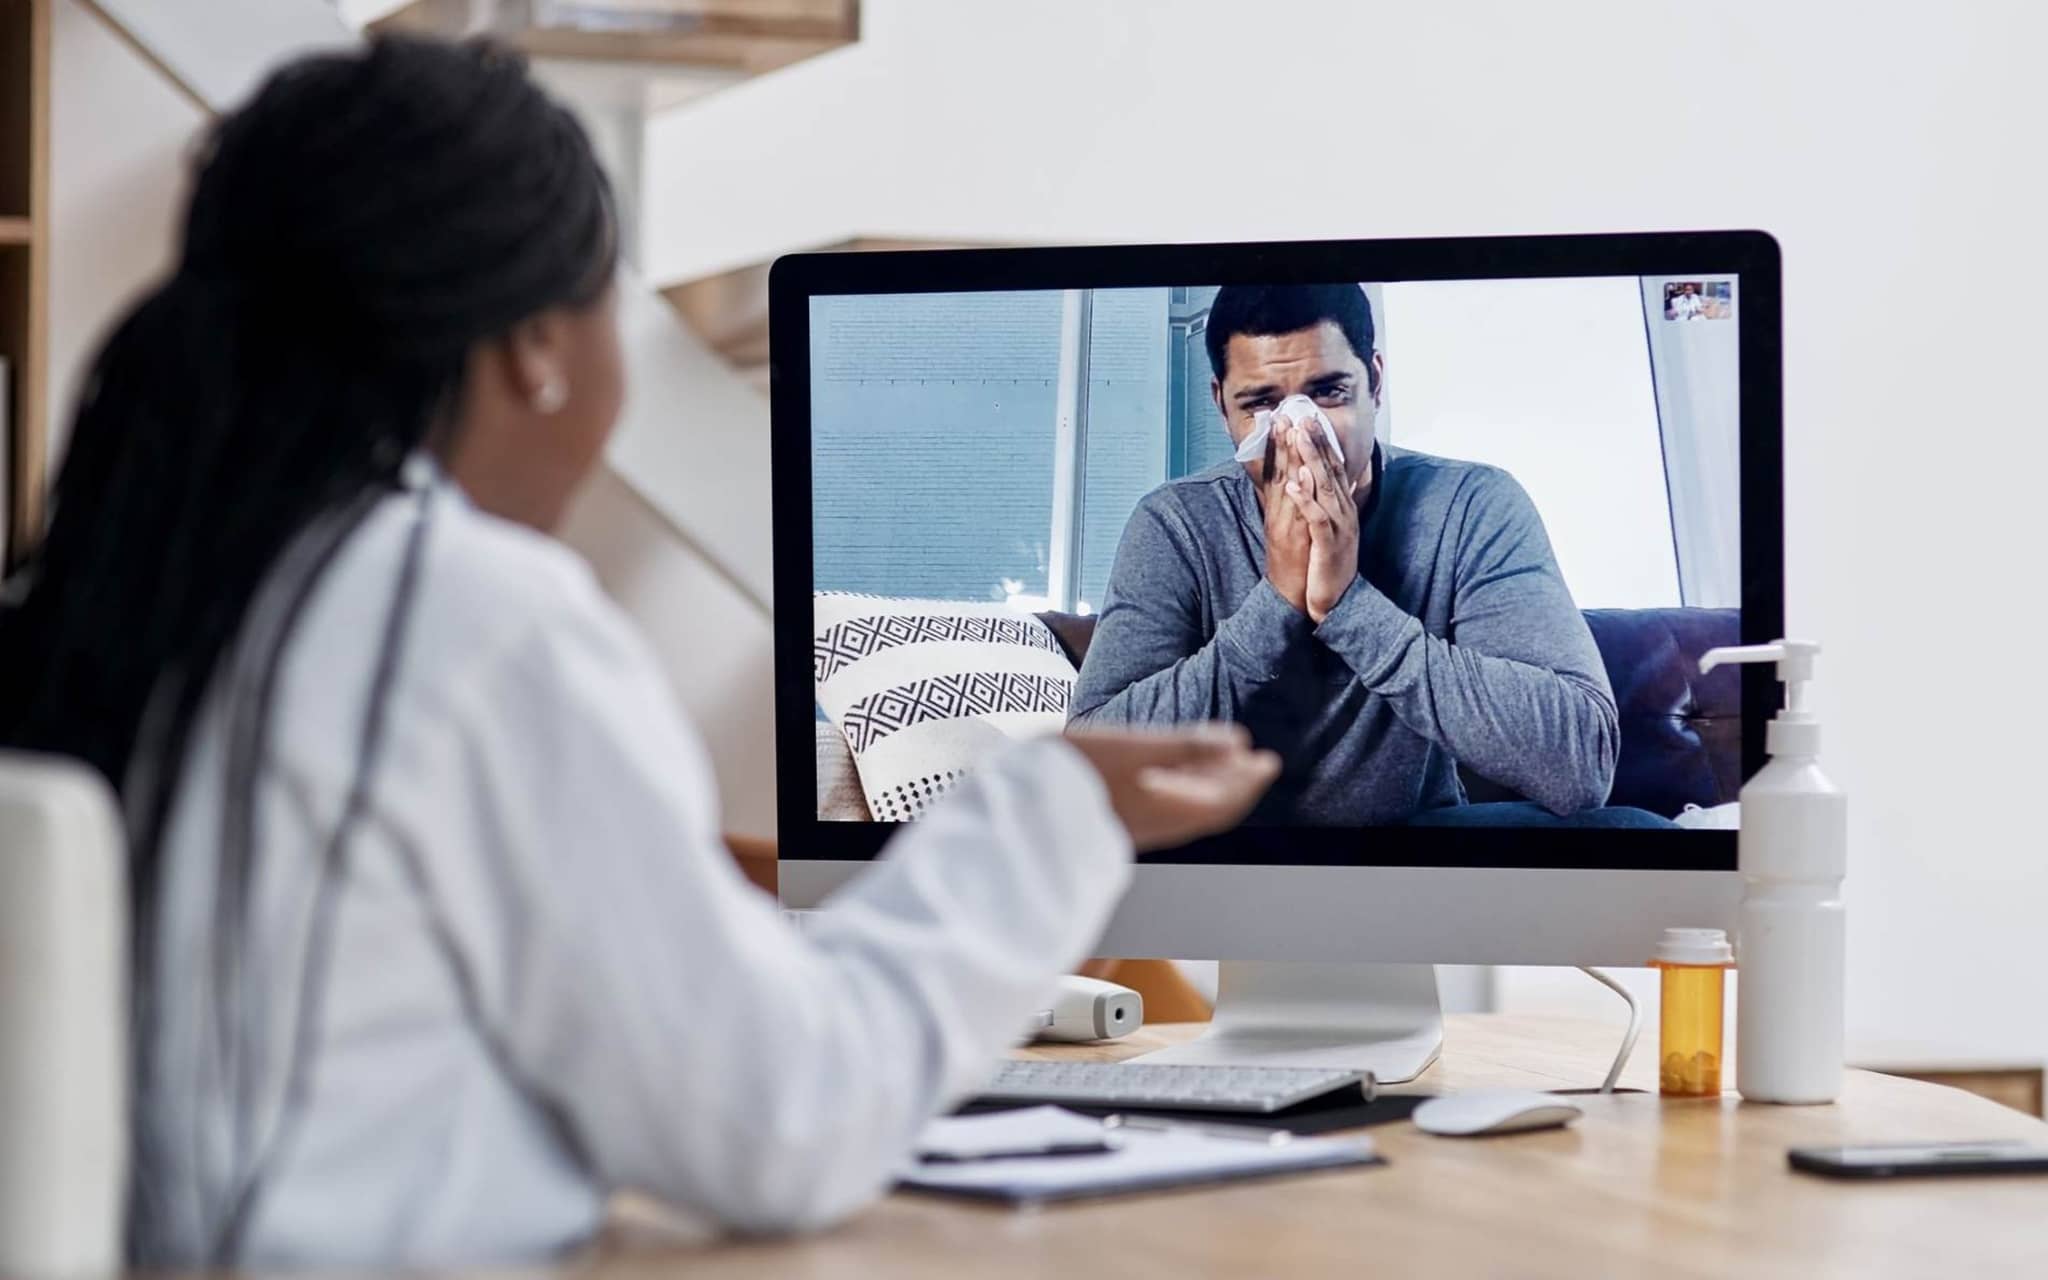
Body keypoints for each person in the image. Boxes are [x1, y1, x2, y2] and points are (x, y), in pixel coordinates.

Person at [0, 39, 1278, 1270]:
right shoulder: (467, 619)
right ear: (537, 349)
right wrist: (1055, 801)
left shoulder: (131, 591)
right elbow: (785, 1116)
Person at [1069, 283, 1667, 830]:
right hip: (1226, 853)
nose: (1299, 432)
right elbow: (1088, 769)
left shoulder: (1469, 505)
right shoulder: (1175, 523)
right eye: (1261, 405)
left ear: (1375, 383)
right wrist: (1277, 602)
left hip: (1410, 845)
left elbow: (1581, 766)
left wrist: (1348, 606)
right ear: (1222, 406)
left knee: (1637, 834)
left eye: (1328, 393)